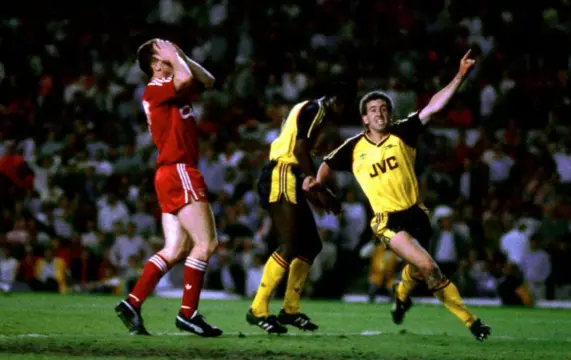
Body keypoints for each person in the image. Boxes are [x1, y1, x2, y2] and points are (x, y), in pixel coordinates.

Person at [315, 50, 491, 341]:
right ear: (364, 118)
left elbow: (433, 108)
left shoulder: (402, 132)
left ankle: (401, 293)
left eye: (384, 108)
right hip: (387, 220)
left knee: (417, 266)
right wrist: (323, 191)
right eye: (373, 109)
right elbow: (325, 166)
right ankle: (472, 322)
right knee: (427, 265)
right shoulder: (353, 147)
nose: (380, 113)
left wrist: (459, 76)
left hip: (416, 213)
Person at [114, 39, 222, 337]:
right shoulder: (156, 87)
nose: (173, 59)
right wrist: (175, 57)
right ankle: (188, 314)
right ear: (155, 63)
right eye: (166, 55)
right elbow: (186, 77)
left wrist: (181, 55)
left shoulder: (172, 83)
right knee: (206, 244)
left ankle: (133, 302)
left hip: (169, 173)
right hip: (179, 169)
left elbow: (208, 81)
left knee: (176, 248)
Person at [246, 83, 348, 334]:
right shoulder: (318, 110)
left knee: (312, 244)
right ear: (338, 101)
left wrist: (316, 192)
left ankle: (290, 309)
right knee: (289, 244)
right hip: (281, 173)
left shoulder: (306, 108)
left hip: (289, 176)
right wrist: (318, 187)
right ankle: (258, 309)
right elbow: (300, 149)